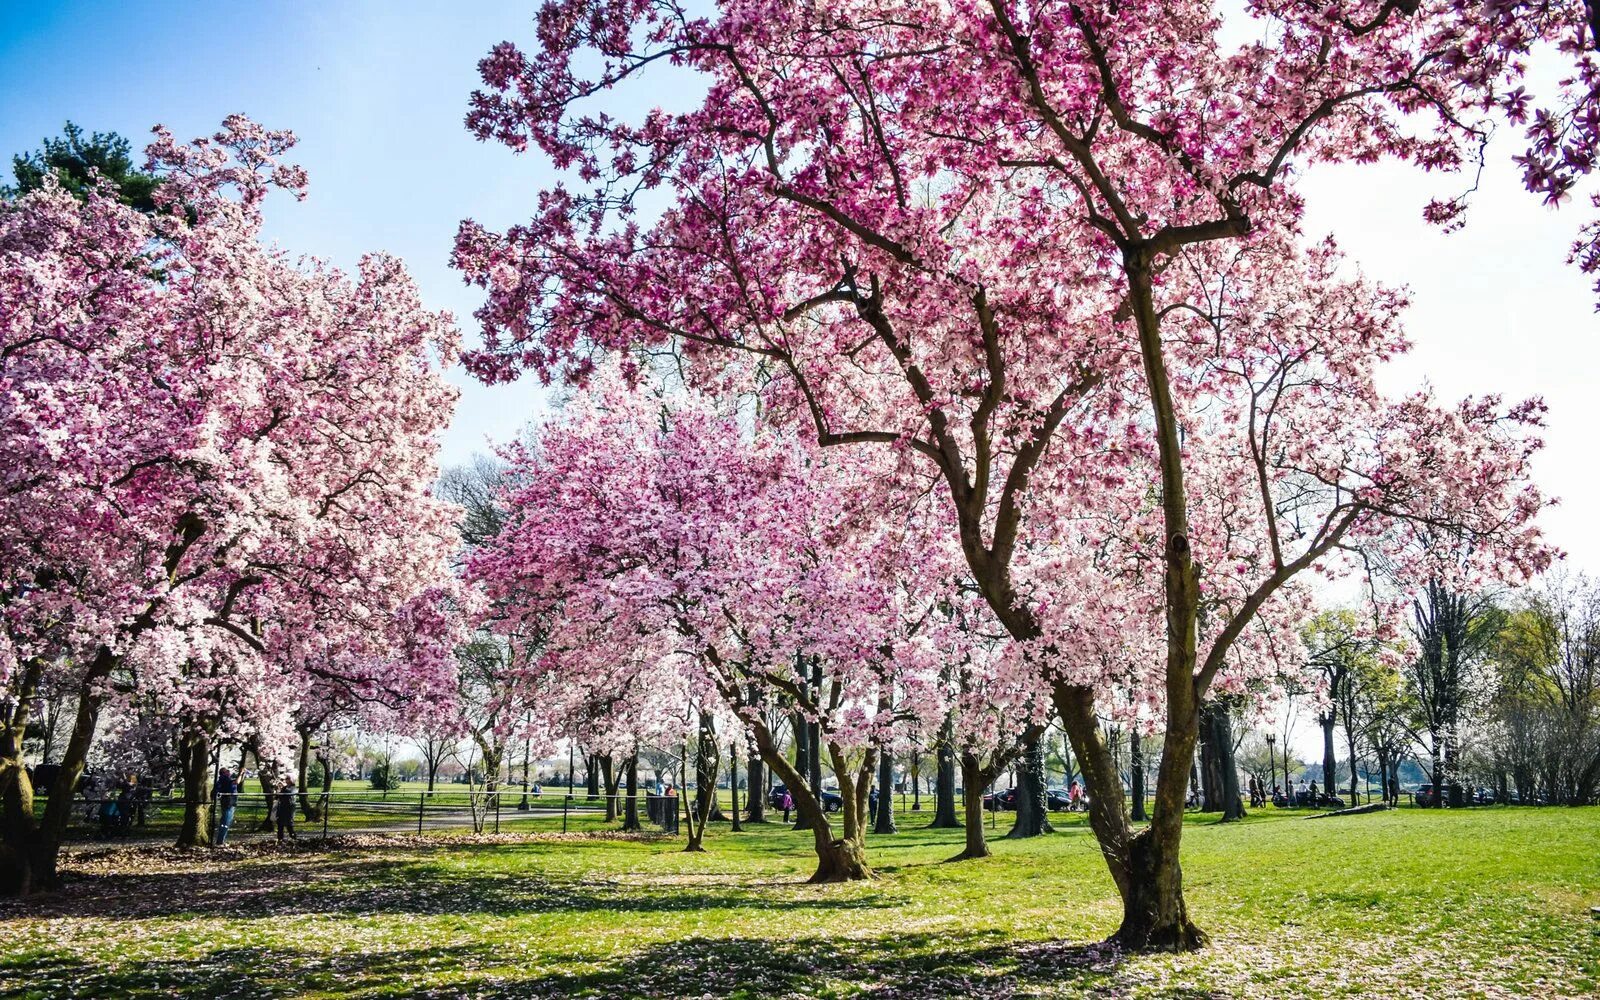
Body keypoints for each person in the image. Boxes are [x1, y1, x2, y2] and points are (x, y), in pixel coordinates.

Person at [215, 767, 239, 845]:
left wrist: (242, 774)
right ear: (223, 773)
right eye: (227, 771)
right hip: (228, 803)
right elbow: (236, 782)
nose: (229, 772)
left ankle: (221, 840)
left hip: (229, 802)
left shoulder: (225, 779)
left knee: (226, 821)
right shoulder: (224, 779)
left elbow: (237, 781)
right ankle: (220, 841)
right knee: (226, 822)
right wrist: (241, 773)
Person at [276, 778, 298, 842]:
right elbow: (279, 796)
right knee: (280, 824)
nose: (286, 780)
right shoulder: (284, 788)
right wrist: (278, 790)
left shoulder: (293, 788)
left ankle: (294, 838)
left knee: (289, 824)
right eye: (286, 779)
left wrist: (283, 787)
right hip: (282, 808)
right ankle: (280, 839)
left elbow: (289, 793)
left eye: (287, 779)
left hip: (289, 808)